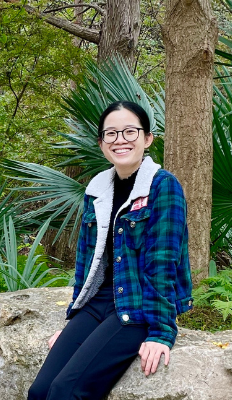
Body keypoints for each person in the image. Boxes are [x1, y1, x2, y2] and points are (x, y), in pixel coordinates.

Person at [28, 100, 193, 400]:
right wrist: (73, 327)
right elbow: (86, 262)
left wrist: (161, 332)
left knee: (67, 392)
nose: (120, 140)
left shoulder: (162, 186)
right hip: (98, 303)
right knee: (40, 391)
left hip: (137, 306)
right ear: (102, 143)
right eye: (111, 134)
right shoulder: (97, 189)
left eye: (130, 131)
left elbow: (162, 263)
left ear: (147, 138)